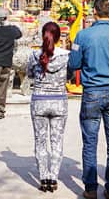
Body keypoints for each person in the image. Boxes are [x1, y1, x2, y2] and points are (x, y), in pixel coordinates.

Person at [68, 0, 109, 199]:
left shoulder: (82, 36)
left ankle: (90, 189)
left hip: (92, 92)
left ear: (94, 12)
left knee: (90, 142)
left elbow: (74, 63)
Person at [27, 22, 69, 193]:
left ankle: (43, 177)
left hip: (39, 102)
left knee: (40, 141)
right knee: (57, 141)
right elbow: (69, 75)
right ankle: (53, 178)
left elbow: (30, 74)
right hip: (59, 102)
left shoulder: (34, 55)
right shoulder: (66, 56)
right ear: (58, 37)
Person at [0, 7, 22, 119]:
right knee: (3, 88)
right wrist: (9, 24)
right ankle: (0, 111)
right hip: (7, 61)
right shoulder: (12, 29)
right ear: (6, 17)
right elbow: (19, 34)